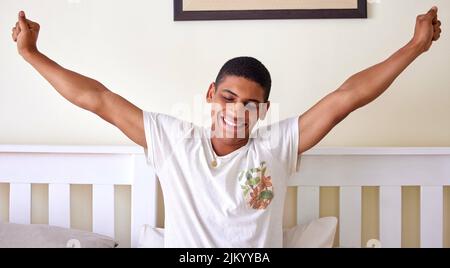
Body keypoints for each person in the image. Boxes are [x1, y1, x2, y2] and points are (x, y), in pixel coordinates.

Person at [11, 7, 441, 247]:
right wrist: (31, 54)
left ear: (264, 110)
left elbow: (348, 97)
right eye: (229, 98)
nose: (237, 111)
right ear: (210, 94)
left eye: (251, 104)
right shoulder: (173, 141)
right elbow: (98, 99)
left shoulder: (277, 146)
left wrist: (416, 46)